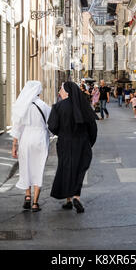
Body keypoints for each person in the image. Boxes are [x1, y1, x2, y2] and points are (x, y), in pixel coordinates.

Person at [48, 82, 97, 213]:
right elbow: (93, 128)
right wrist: (88, 143)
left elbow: (52, 126)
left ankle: (68, 200)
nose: (60, 92)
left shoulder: (58, 107)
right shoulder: (84, 106)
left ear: (67, 92)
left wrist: (63, 134)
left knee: (66, 169)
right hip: (82, 143)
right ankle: (76, 196)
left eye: (61, 90)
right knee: (79, 170)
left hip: (65, 142)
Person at [10, 80, 51, 213]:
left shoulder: (23, 106)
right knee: (38, 168)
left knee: (25, 167)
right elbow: (50, 125)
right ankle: (35, 203)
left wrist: (14, 145)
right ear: (39, 91)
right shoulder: (44, 106)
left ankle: (27, 196)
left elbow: (17, 127)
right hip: (40, 139)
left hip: (26, 139)